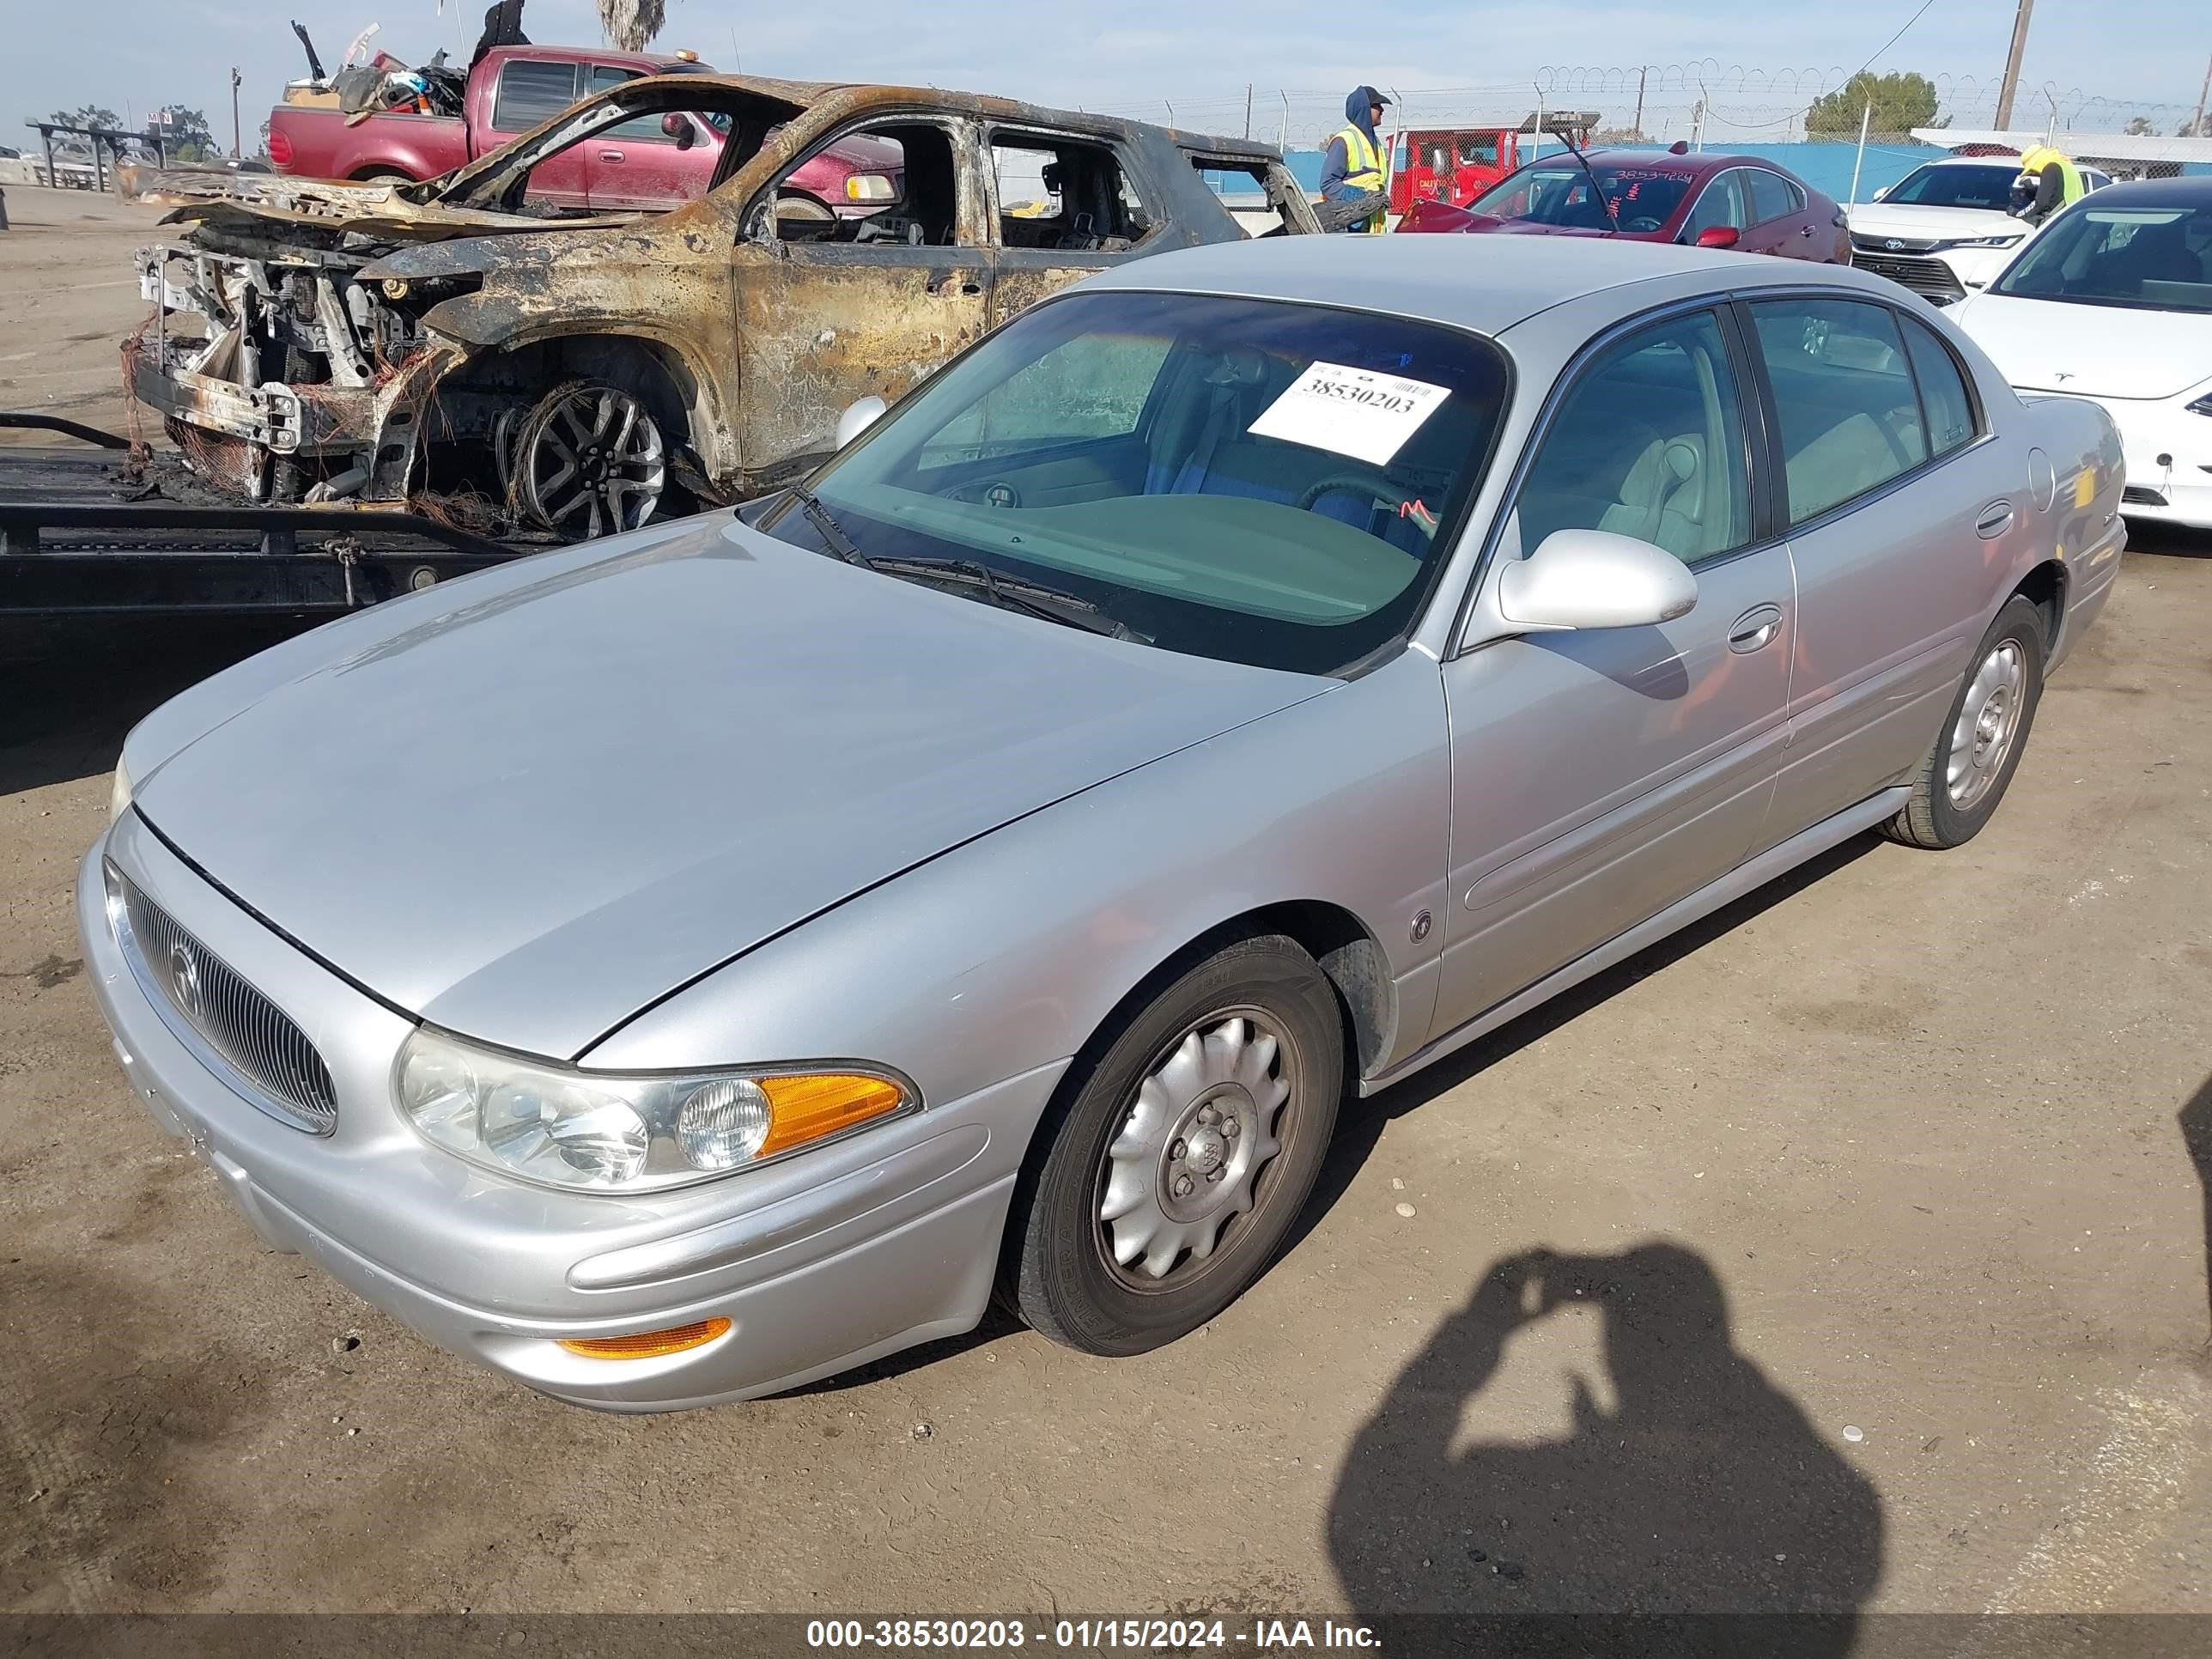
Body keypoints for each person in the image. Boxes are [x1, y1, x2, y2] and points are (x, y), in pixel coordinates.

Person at [1321, 86, 1393, 233]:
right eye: (1377, 105)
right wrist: (1362, 198)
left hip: (1373, 232)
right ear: (1364, 109)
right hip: (1349, 233)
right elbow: (1328, 184)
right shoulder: (1344, 140)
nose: (1382, 110)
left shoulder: (1377, 144)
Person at [2009, 143, 2085, 228]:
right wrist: (2033, 190)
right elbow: (2058, 193)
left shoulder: (2050, 168)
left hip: (2059, 222)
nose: (2035, 172)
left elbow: (2040, 203)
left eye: (2032, 169)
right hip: (2072, 218)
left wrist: (2017, 213)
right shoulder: (2065, 166)